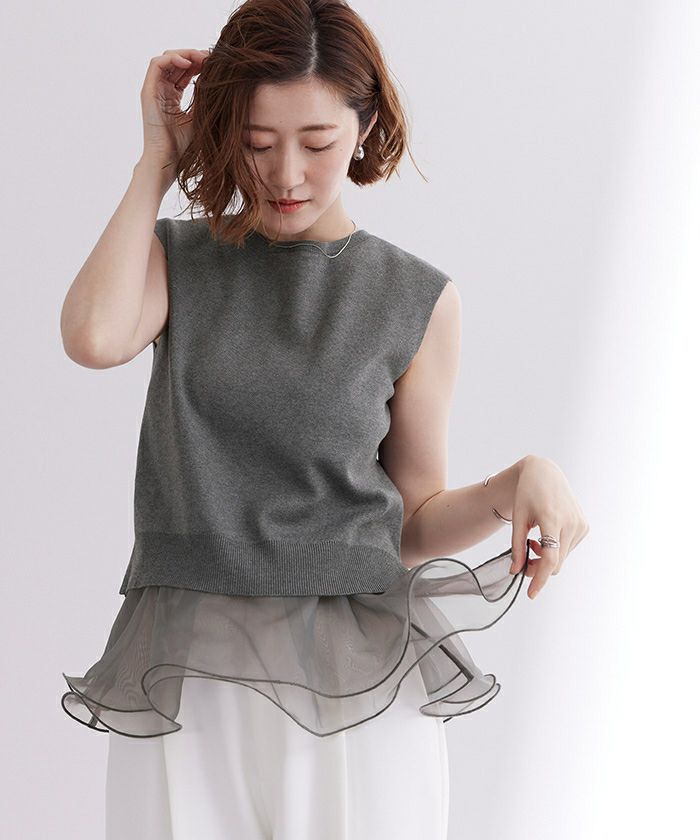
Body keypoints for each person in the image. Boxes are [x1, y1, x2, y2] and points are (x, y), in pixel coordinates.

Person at [58, 1, 589, 838]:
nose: (285, 175)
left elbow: (409, 525)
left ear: (364, 128)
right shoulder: (179, 260)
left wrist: (520, 480)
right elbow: (93, 338)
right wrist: (157, 159)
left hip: (355, 682)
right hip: (186, 671)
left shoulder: (414, 298)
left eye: (317, 143)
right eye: (257, 142)